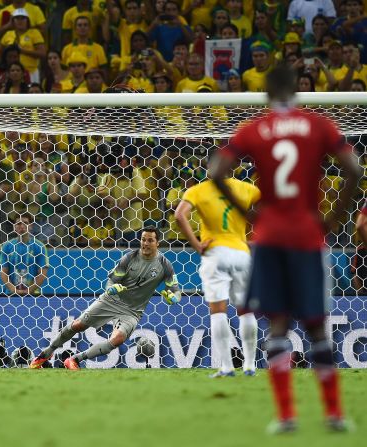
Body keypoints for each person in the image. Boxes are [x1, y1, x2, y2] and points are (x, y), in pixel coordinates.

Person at [209, 64, 360, 433]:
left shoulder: (255, 129)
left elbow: (216, 171)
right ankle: (334, 414)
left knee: (277, 325)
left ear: (266, 93)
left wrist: (250, 214)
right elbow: (354, 169)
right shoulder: (318, 125)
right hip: (308, 234)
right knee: (317, 327)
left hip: (270, 234)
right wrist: (333, 218)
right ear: (297, 90)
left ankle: (287, 416)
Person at [30, 227, 181, 369]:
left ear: (157, 243)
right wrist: (111, 288)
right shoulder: (129, 258)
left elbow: (176, 291)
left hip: (132, 311)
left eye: (150, 240)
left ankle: (74, 359)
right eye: (143, 239)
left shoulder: (164, 265)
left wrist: (174, 298)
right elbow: (111, 281)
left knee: (117, 339)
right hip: (111, 300)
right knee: (78, 325)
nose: (145, 243)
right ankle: (45, 354)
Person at [175, 168, 261, 377]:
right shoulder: (247, 188)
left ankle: (227, 367)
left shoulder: (198, 190)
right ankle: (250, 366)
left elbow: (179, 215)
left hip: (215, 253)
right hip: (242, 253)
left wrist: (197, 245)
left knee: (218, 310)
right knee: (246, 310)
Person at [0, 214, 48, 295]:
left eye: (25, 223)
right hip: (10, 294)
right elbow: (3, 272)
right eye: (18, 223)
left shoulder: (39, 246)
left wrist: (29, 291)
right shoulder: (7, 246)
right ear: (14, 227)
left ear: (31, 226)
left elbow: (42, 273)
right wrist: (14, 290)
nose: (22, 226)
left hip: (33, 294)